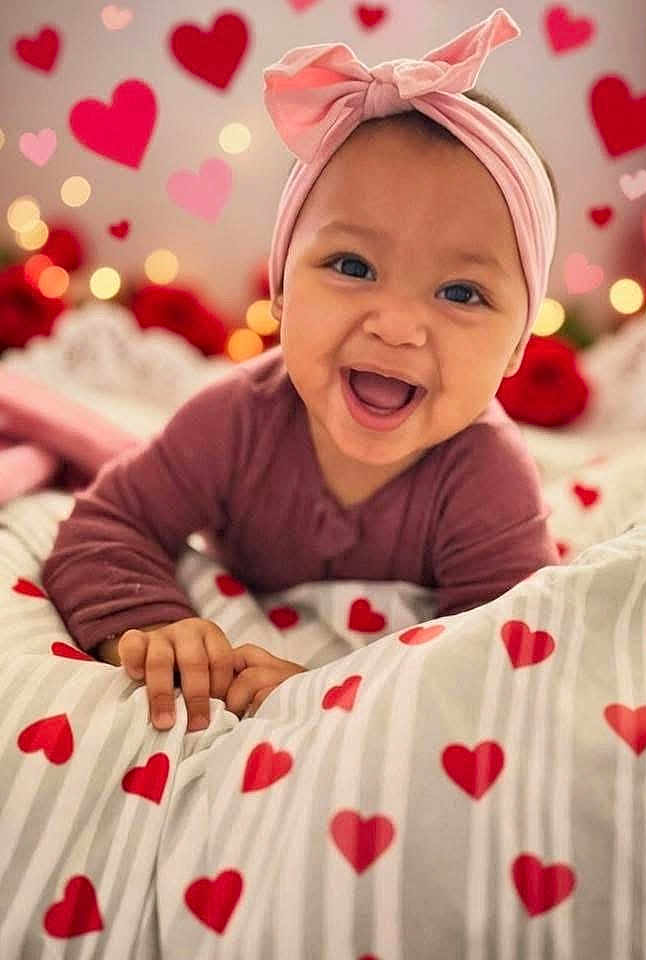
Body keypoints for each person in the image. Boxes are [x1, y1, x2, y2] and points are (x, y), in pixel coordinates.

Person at [41, 9, 561, 735]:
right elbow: (106, 527)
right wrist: (152, 624)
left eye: (462, 293)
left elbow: (505, 655)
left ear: (514, 351)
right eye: (352, 266)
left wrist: (340, 689)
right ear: (282, 289)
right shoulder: (236, 420)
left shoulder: (487, 478)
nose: (397, 325)